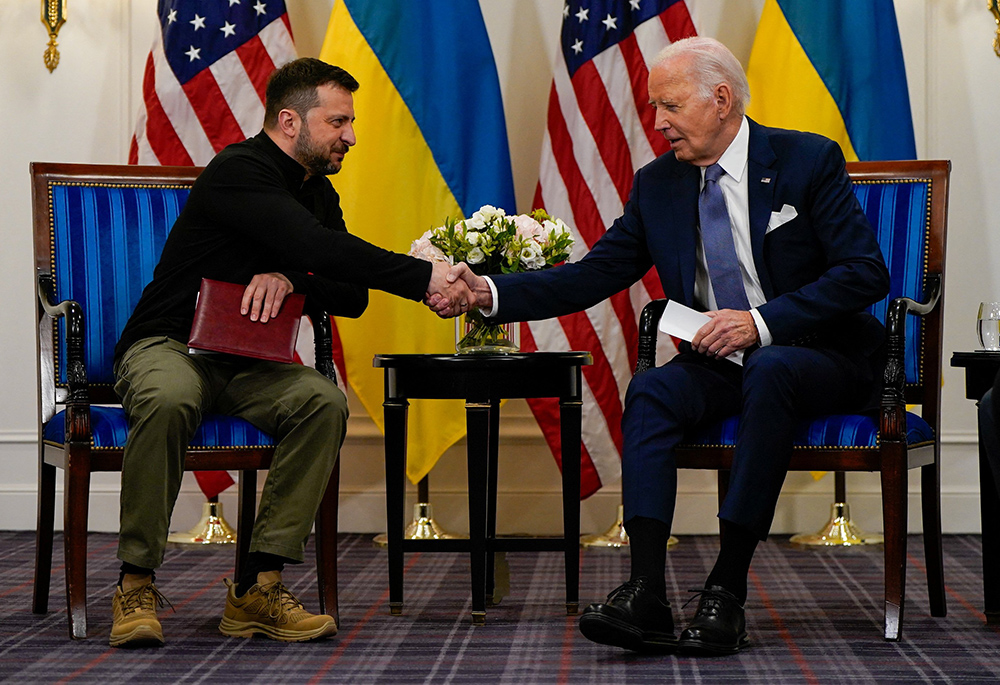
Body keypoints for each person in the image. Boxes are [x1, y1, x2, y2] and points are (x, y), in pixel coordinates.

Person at [444, 37, 890, 655]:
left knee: (774, 368)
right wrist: (488, 294)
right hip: (725, 361)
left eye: (670, 106)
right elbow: (592, 274)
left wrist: (759, 323)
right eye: (654, 109)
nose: (658, 124)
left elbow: (863, 273)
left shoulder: (806, 159)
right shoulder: (659, 184)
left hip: (819, 354)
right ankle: (646, 592)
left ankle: (725, 591)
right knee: (652, 388)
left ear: (722, 99)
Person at [109, 58, 473, 648]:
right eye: (338, 122)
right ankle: (135, 583)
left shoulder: (317, 192)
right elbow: (313, 245)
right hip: (168, 345)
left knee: (321, 402)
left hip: (246, 364)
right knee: (172, 397)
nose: (351, 136)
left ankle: (257, 587)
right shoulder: (239, 169)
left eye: (350, 122)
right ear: (288, 120)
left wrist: (290, 279)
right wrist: (425, 277)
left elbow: (349, 294)